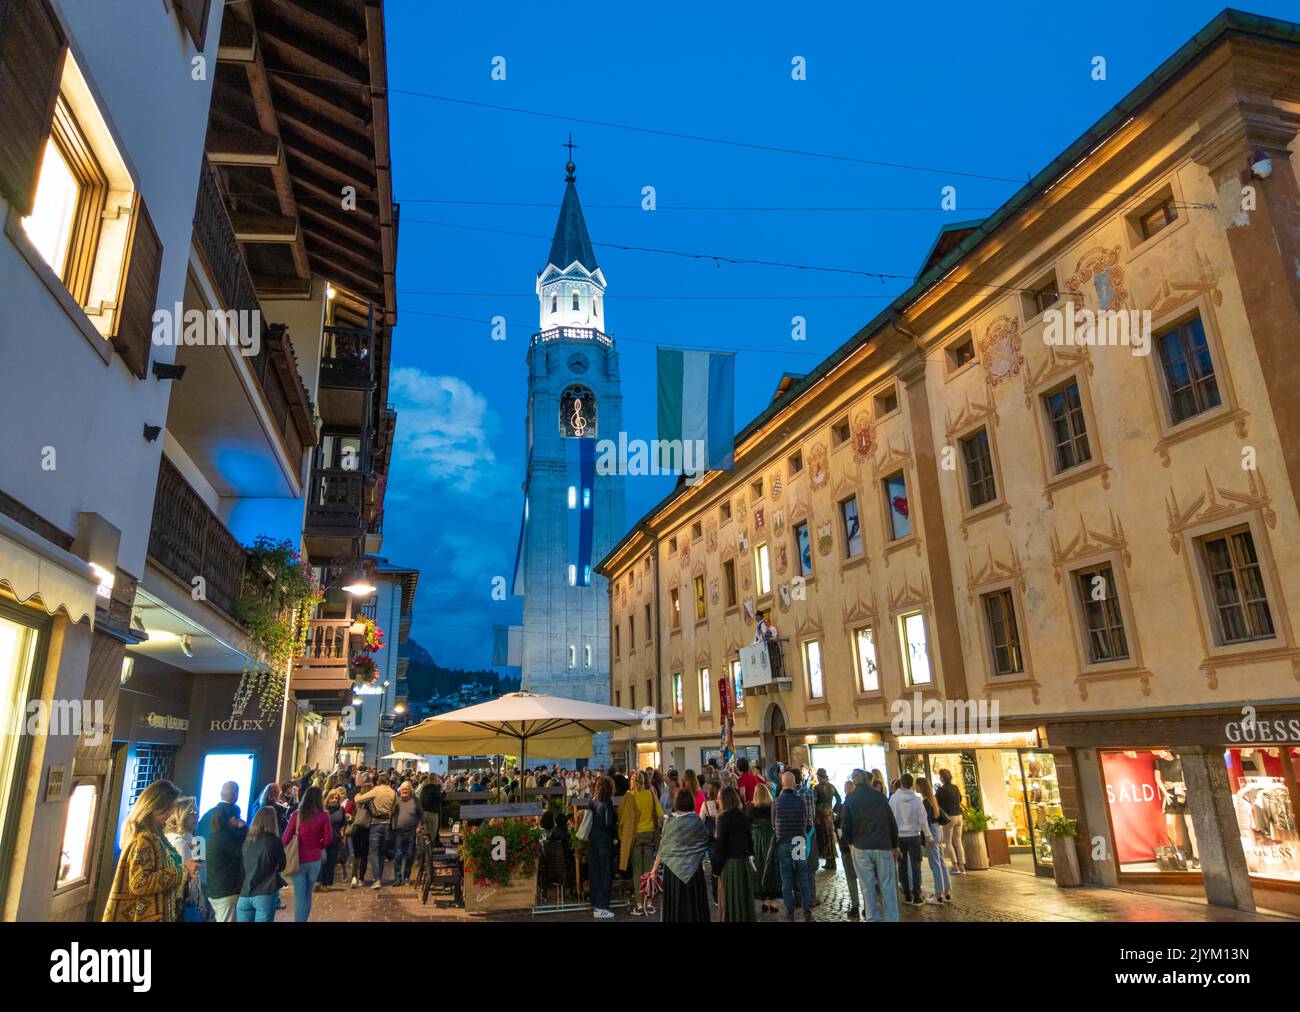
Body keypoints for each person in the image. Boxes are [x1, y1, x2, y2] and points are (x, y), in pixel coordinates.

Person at [104, 780, 195, 922]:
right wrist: (182, 871)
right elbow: (139, 883)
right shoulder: (145, 839)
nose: (171, 813)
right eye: (169, 807)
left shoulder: (156, 834)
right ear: (156, 806)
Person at [840, 770, 900, 922]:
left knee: (867, 888)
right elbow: (891, 821)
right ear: (867, 781)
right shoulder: (879, 796)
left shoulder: (850, 799)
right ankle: (892, 919)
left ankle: (872, 918)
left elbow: (845, 824)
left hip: (861, 847)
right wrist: (894, 844)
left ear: (854, 782)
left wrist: (851, 842)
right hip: (883, 845)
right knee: (888, 887)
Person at [651, 789, 711, 922]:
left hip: (673, 871)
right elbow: (704, 841)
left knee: (675, 906)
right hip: (694, 870)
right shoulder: (696, 821)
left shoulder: (670, 822)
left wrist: (654, 869)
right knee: (694, 906)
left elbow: (663, 847)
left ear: (677, 802)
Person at [196, 781, 246, 922]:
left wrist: (200, 864)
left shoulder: (206, 816)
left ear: (220, 794)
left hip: (205, 871)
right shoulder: (234, 815)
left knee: (208, 914)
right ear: (235, 796)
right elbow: (240, 850)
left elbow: (197, 844)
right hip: (226, 878)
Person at [617, 770, 663, 916]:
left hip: (635, 836)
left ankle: (638, 904)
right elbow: (660, 814)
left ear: (632, 781)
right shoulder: (650, 794)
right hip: (649, 834)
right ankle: (648, 903)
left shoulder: (629, 796)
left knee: (637, 870)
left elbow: (621, 815)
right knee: (649, 869)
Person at [282, 785, 331, 921]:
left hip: (298, 859)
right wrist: (317, 845)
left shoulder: (297, 815)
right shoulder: (324, 815)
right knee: (308, 894)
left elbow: (285, 838)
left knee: (299, 896)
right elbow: (328, 839)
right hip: (315, 860)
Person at [773, 771, 814, 921]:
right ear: (795, 783)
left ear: (782, 783)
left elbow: (773, 824)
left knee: (786, 880)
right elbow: (806, 821)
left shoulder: (776, 802)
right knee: (803, 878)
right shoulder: (800, 801)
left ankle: (790, 915)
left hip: (783, 842)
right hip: (798, 841)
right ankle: (807, 913)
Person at [888, 772, 933, 907]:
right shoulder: (916, 799)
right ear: (912, 784)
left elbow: (890, 818)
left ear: (901, 783)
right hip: (914, 835)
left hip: (899, 837)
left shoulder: (894, 798)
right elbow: (922, 818)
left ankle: (907, 894)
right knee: (916, 865)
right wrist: (928, 835)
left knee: (902, 866)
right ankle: (917, 895)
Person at [712, 787, 754, 922]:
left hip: (730, 864)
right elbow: (749, 838)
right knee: (742, 897)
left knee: (730, 898)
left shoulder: (723, 819)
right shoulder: (742, 815)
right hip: (743, 861)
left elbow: (721, 845)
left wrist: (716, 869)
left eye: (718, 798)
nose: (717, 801)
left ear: (725, 800)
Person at [237, 807, 286, 922]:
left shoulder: (245, 840)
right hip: (265, 892)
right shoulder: (274, 841)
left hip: (243, 892)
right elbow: (282, 865)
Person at [163, 795, 205, 921]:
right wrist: (201, 904)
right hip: (183, 906)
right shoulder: (180, 843)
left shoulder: (166, 837)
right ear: (183, 816)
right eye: (194, 813)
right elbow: (191, 879)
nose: (197, 817)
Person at [355, 772, 397, 888]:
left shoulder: (376, 790)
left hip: (375, 823)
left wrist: (357, 794)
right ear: (388, 781)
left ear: (378, 781)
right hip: (387, 824)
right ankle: (379, 877)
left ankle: (377, 879)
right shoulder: (393, 792)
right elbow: (395, 807)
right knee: (382, 853)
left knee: (374, 852)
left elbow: (359, 800)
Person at [916, 777, 952, 904]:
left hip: (931, 830)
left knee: (935, 863)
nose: (915, 787)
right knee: (941, 862)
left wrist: (927, 836)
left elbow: (925, 821)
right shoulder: (933, 799)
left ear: (920, 787)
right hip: (938, 829)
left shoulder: (925, 802)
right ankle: (946, 890)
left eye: (917, 785)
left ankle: (938, 895)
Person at [588, 775, 618, 919]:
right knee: (605, 873)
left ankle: (595, 901)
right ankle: (602, 907)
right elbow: (609, 823)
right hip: (604, 841)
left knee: (595, 872)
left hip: (592, 839)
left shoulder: (593, 801)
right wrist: (615, 835)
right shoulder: (607, 802)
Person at [748, 782, 781, 913]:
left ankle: (763, 900)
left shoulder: (751, 807)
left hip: (756, 840)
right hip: (771, 839)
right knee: (772, 868)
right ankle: (773, 901)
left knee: (760, 867)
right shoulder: (772, 806)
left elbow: (747, 824)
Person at [837, 779, 862, 919]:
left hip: (847, 846)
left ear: (846, 791)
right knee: (864, 877)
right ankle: (868, 906)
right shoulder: (862, 805)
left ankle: (855, 906)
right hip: (861, 844)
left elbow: (840, 826)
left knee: (851, 877)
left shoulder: (843, 806)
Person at [391, 780, 423, 886]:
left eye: (407, 789)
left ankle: (406, 877)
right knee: (398, 854)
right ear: (400, 790)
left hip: (411, 831)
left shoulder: (416, 801)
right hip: (399, 831)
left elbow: (421, 815)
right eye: (403, 789)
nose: (405, 791)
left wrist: (419, 826)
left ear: (410, 790)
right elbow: (392, 814)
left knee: (410, 855)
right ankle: (397, 878)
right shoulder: (397, 801)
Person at [935, 768, 966, 874]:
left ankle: (955, 865)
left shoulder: (941, 790)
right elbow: (960, 799)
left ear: (942, 778)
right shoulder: (955, 787)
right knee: (958, 841)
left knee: (948, 842)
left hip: (949, 817)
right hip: (959, 815)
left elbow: (936, 802)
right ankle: (962, 865)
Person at [320, 788, 348, 890]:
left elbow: (343, 823)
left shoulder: (341, 810)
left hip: (334, 837)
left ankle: (326, 883)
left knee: (331, 861)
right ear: (328, 799)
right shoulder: (323, 809)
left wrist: (343, 834)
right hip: (322, 837)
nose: (335, 800)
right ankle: (319, 881)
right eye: (332, 797)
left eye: (336, 798)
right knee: (322, 859)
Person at [813, 769, 841, 871]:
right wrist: (834, 810)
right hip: (829, 814)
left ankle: (827, 859)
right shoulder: (832, 787)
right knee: (830, 837)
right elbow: (839, 799)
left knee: (823, 838)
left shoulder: (817, 788)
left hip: (820, 815)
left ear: (820, 776)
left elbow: (814, 801)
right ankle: (831, 860)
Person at [349, 775, 373, 887]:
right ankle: (361, 877)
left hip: (356, 827)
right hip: (367, 828)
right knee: (364, 854)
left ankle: (354, 877)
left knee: (356, 854)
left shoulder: (357, 797)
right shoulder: (372, 801)